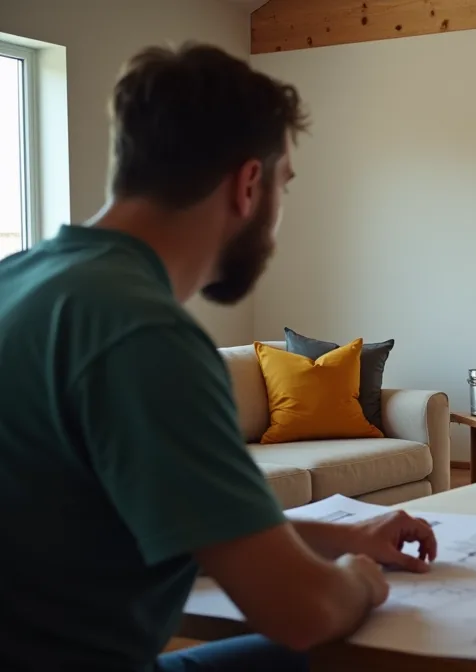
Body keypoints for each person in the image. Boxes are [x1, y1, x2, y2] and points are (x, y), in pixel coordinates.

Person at [0, 44, 437, 671]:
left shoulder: (21, 279)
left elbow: (196, 523)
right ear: (248, 184)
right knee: (382, 652)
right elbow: (302, 610)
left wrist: (345, 536)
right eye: (283, 187)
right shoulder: (143, 335)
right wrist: (362, 576)